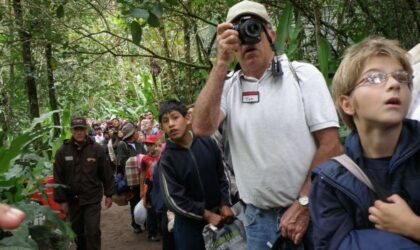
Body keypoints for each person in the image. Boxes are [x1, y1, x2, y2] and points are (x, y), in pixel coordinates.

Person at [192, 1, 342, 248]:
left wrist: (304, 203)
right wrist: (221, 63)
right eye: (239, 32)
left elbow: (332, 146)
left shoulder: (302, 75)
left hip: (310, 210)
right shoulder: (228, 87)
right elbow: (201, 128)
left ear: (271, 35)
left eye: (255, 28)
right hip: (257, 219)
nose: (249, 39)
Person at [309, 37, 420, 249]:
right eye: (375, 78)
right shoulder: (330, 181)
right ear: (347, 104)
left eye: (402, 77)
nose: (394, 84)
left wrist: (413, 226)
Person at [158, 100, 234, 250]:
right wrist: (206, 215)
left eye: (175, 117)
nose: (171, 124)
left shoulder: (207, 142)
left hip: (220, 216)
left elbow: (223, 175)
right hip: (189, 226)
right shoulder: (166, 159)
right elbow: (173, 199)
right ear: (162, 128)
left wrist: (225, 203)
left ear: (187, 119)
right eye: (165, 121)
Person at [53, 116, 115, 250]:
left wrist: (109, 194)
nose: (79, 132)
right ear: (71, 131)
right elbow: (58, 177)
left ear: (86, 130)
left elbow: (106, 173)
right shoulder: (62, 152)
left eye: (82, 129)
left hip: (92, 198)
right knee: (78, 233)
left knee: (92, 232)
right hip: (73, 200)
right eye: (76, 129)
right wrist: (62, 200)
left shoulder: (96, 149)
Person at [117, 122, 146, 233]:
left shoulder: (139, 144)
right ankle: (136, 225)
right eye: (135, 131)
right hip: (132, 179)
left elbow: (145, 156)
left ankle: (146, 223)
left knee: (145, 199)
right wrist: (138, 160)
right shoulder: (122, 145)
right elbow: (122, 161)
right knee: (135, 201)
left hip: (143, 176)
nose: (137, 133)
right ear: (132, 134)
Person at [140, 134, 162, 242]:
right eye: (147, 144)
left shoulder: (162, 157)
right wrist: (141, 190)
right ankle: (152, 233)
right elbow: (142, 175)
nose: (148, 147)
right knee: (151, 209)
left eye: (150, 144)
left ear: (156, 145)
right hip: (150, 185)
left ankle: (163, 231)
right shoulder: (145, 159)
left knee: (162, 208)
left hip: (161, 185)